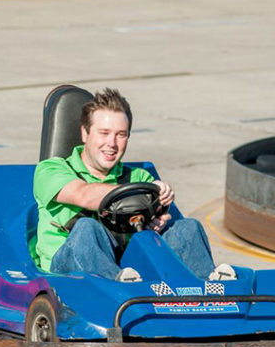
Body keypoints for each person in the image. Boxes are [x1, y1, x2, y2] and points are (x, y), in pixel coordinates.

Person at [33, 88, 234, 282]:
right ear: (85, 133)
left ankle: (209, 286)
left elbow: (161, 224)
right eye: (104, 133)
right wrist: (135, 197)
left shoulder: (139, 178)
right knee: (87, 228)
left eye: (121, 134)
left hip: (130, 271)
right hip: (63, 275)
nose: (112, 143)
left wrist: (156, 222)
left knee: (187, 228)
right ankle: (115, 285)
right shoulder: (51, 170)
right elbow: (83, 194)